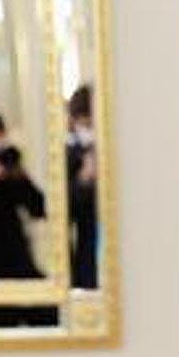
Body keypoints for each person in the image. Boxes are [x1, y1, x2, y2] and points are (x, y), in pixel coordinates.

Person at [66, 84, 99, 289]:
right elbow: (64, 211)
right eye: (86, 125)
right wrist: (84, 179)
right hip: (88, 255)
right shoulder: (70, 154)